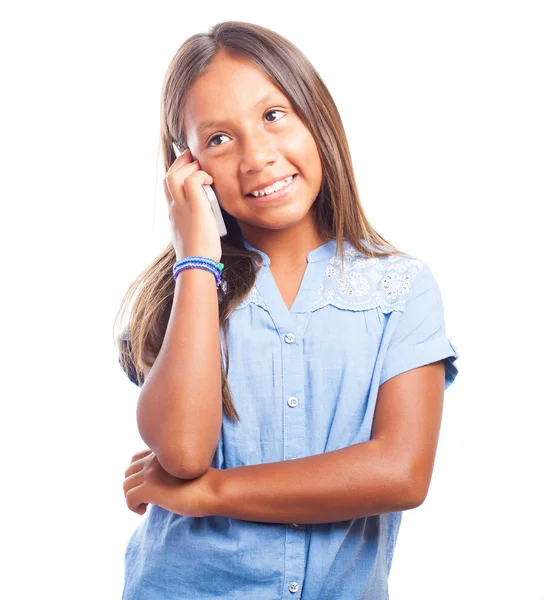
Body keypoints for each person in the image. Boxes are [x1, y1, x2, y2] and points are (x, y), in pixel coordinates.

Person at [116, 20, 460, 600]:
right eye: (219, 139)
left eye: (273, 116)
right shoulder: (183, 294)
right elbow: (180, 450)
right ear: (188, 167)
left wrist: (211, 493)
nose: (257, 156)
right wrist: (196, 257)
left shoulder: (401, 289)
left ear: (315, 116)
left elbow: (400, 472)